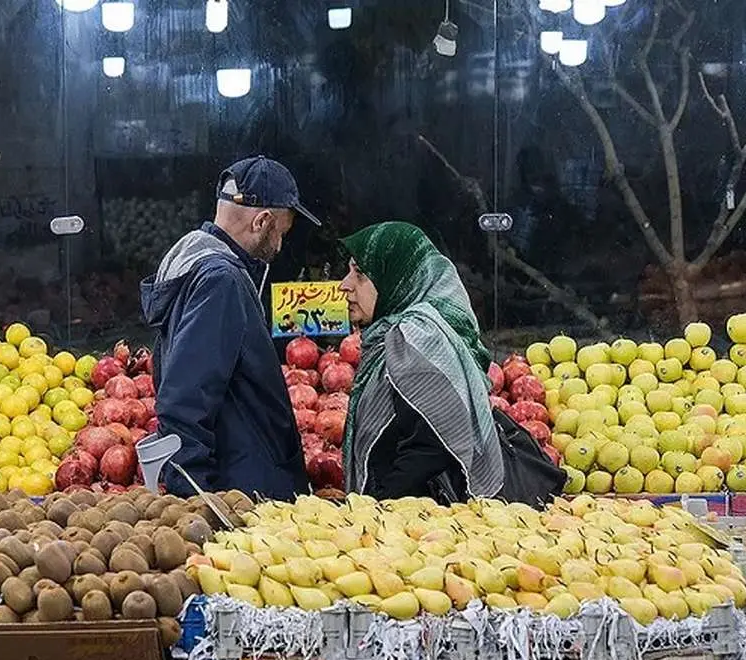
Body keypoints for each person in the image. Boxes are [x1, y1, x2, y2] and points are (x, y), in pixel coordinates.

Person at [140, 156, 319, 500]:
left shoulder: (194, 263)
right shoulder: (221, 281)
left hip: (237, 479)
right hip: (241, 490)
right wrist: (197, 498)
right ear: (262, 221)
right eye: (281, 233)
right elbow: (187, 399)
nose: (280, 245)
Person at [338, 221, 505, 501]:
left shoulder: (418, 339)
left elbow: (432, 447)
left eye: (360, 274)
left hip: (416, 516)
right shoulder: (391, 337)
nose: (345, 285)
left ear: (399, 279)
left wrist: (381, 505)